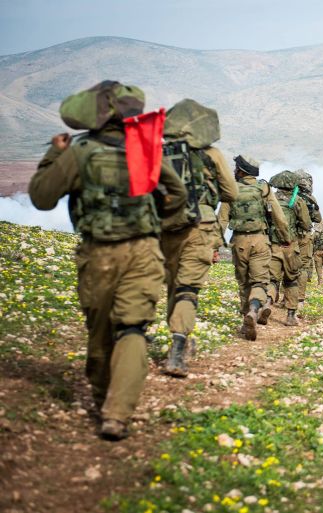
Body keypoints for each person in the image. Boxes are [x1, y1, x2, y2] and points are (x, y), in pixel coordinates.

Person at [28, 81, 187, 440]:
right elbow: (175, 193)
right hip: (144, 252)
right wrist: (154, 220)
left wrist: (54, 155)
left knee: (99, 336)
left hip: (98, 254)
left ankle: (104, 401)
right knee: (132, 329)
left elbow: (41, 197)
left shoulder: (80, 152)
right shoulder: (144, 150)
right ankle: (117, 414)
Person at [160, 99, 238, 377]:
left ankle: (174, 337)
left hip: (164, 227)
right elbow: (231, 193)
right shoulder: (211, 154)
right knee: (187, 288)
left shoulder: (156, 152)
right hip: (200, 224)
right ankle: (178, 347)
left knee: (172, 284)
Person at [217, 156, 289, 340]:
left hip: (239, 242)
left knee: (244, 283)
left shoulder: (231, 189)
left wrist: (214, 246)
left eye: (236, 168)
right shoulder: (264, 188)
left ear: (241, 171)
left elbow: (222, 220)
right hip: (260, 241)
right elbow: (279, 217)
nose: (234, 171)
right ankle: (255, 308)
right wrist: (285, 237)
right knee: (259, 281)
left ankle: (245, 320)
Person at [267, 170, 312, 326]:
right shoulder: (297, 201)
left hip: (273, 245)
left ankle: (267, 304)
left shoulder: (269, 200)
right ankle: (291, 316)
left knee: (272, 280)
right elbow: (306, 224)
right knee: (291, 280)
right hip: (291, 246)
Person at [294, 169, 322, 310]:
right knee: (303, 267)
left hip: (288, 235)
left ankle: (280, 298)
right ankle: (299, 300)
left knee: (285, 265)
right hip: (305, 236)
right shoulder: (311, 198)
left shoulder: (288, 195)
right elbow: (318, 218)